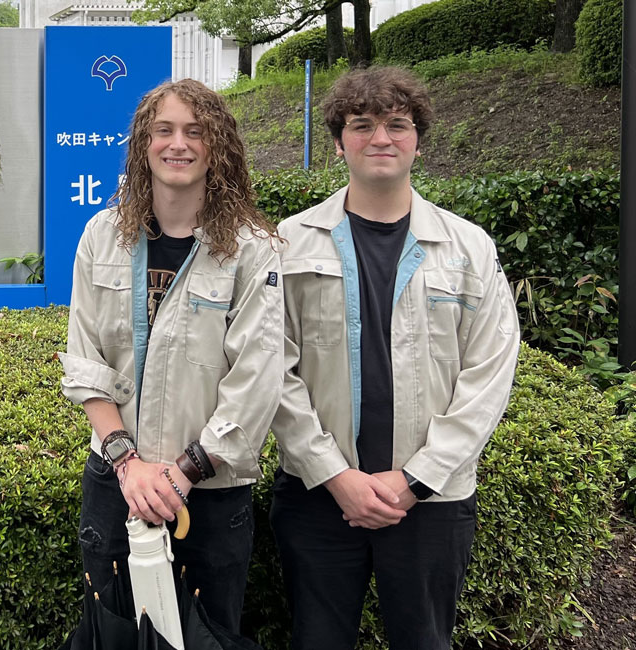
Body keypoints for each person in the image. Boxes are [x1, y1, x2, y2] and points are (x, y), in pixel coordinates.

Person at [269, 66, 521, 650]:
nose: (380, 138)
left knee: (425, 641)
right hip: (317, 498)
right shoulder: (290, 241)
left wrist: (415, 481)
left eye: (397, 125)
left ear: (417, 139)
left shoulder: (468, 247)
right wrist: (336, 477)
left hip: (433, 503)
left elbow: (490, 374)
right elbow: (270, 367)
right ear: (338, 141)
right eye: (362, 125)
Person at [59, 78, 284, 631]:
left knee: (207, 633)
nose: (177, 143)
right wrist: (128, 464)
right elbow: (86, 361)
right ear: (143, 144)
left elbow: (256, 380)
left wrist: (183, 473)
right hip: (118, 485)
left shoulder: (253, 249)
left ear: (218, 145)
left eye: (194, 131)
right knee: (112, 631)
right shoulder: (102, 235)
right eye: (163, 130)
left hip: (209, 494)